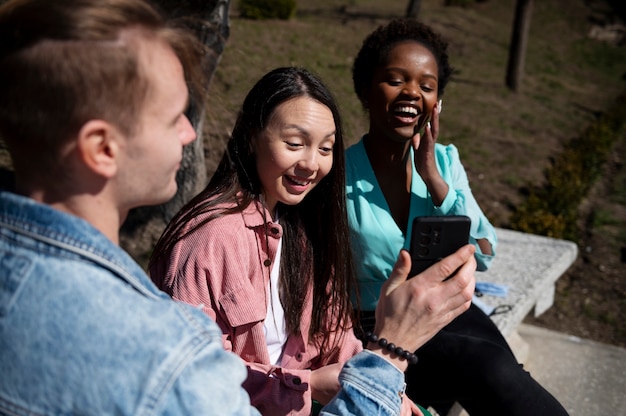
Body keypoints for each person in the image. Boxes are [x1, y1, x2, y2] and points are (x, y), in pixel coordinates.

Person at [0, 1, 477, 415]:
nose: (190, 135)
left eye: (327, 147)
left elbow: (331, 333)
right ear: (102, 148)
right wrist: (389, 353)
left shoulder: (300, 227)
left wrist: (379, 382)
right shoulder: (158, 347)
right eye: (173, 118)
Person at [346, 18, 569, 416]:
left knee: (501, 372)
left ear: (437, 102)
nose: (411, 93)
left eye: (426, 86)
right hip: (379, 328)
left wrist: (433, 177)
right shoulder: (338, 174)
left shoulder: (445, 162)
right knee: (490, 368)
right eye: (396, 80)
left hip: (449, 313)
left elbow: (484, 251)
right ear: (366, 88)